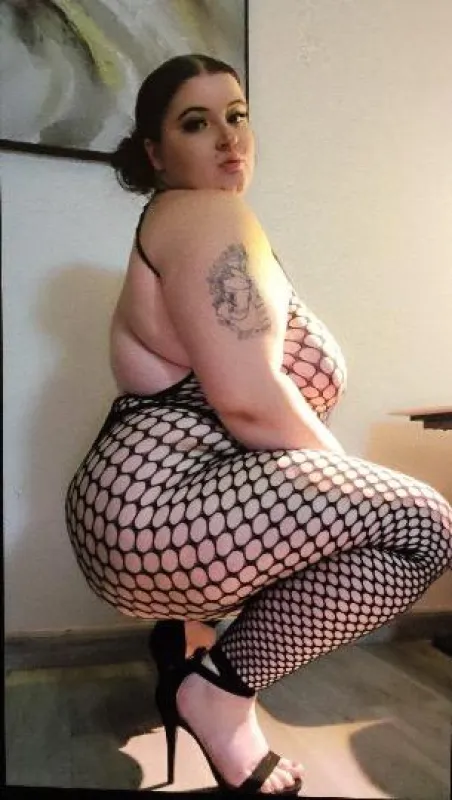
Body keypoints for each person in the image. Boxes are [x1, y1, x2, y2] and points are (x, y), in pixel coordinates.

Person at [65, 53, 452, 795]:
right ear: (155, 153)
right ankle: (217, 695)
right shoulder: (203, 213)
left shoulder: (186, 223)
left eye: (237, 115)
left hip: (147, 504)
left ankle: (189, 649)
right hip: (157, 505)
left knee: (360, 515)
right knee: (420, 527)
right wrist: (349, 490)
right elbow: (247, 401)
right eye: (195, 123)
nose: (228, 137)